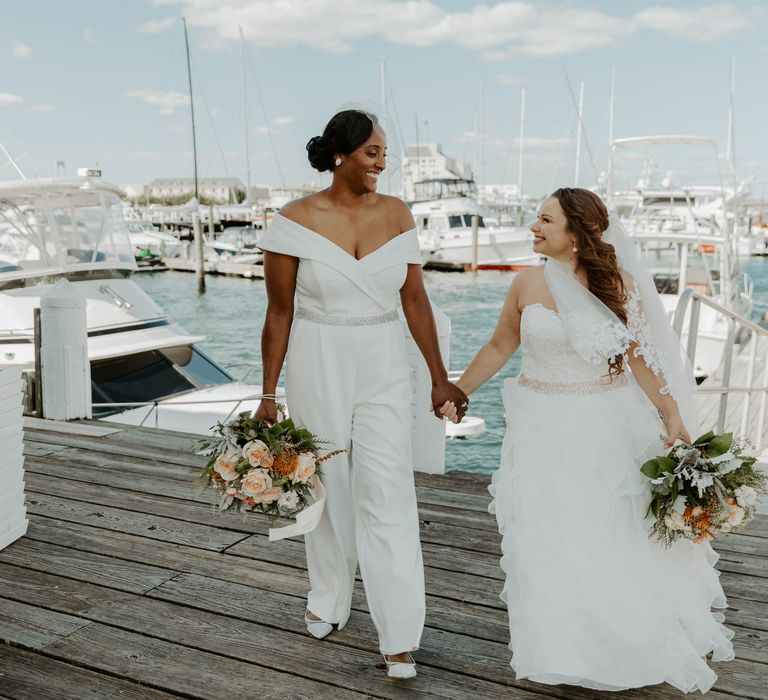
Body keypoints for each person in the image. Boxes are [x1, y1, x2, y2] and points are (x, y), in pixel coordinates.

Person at [441, 188, 734, 692]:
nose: (534, 227)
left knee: (601, 532)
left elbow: (640, 357)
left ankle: (613, 643)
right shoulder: (526, 284)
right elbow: (500, 344)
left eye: (545, 220)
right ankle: (557, 646)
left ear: (576, 235)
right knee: (544, 533)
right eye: (535, 218)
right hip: (538, 423)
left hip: (602, 424)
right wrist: (459, 390)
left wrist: (671, 414)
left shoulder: (615, 285)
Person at [255, 109, 467, 679]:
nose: (381, 162)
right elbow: (278, 313)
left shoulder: (397, 214)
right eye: (373, 152)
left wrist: (439, 376)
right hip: (317, 359)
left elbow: (415, 301)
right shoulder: (291, 220)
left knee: (387, 489)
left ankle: (398, 634)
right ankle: (329, 597)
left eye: (383, 153)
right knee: (326, 482)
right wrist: (269, 394)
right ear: (340, 154)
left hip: (381, 362)